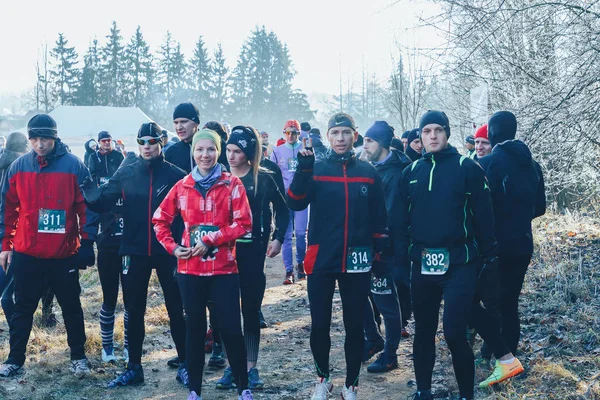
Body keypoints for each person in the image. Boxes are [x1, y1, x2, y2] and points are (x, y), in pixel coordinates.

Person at [287, 112, 390, 400]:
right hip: (321, 258)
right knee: (319, 324)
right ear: (329, 137)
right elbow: (294, 202)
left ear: (355, 136)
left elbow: (379, 219)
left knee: (354, 325)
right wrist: (303, 170)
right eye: (335, 133)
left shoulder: (368, 173)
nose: (341, 138)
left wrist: (380, 256)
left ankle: (351, 385)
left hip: (357, 260)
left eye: (346, 133)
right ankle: (323, 379)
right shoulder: (317, 169)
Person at [80, 122, 188, 388]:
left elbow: (189, 214)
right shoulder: (127, 173)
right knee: (134, 310)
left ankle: (186, 363)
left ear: (161, 142)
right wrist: (86, 189)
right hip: (134, 250)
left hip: (168, 250)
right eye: (142, 142)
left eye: (152, 141)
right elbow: (103, 202)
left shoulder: (177, 175)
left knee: (176, 308)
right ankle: (134, 368)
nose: (147, 146)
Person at [399, 110, 497, 400]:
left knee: (454, 332)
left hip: (460, 263)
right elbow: (400, 221)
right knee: (424, 332)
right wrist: (401, 260)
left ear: (447, 133)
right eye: (426, 131)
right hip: (423, 263)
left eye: (438, 130)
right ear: (420, 136)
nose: (432, 136)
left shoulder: (467, 167)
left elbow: (484, 216)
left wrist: (490, 258)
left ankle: (466, 394)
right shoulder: (411, 172)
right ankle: (423, 391)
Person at [153, 128, 254, 400]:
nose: (205, 155)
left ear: (218, 152)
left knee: (231, 328)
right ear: (193, 152)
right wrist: (173, 248)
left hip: (223, 270)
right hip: (190, 271)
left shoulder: (232, 184)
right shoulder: (182, 185)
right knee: (195, 329)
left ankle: (243, 387)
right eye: (200, 150)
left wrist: (213, 238)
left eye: (211, 149)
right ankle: (194, 391)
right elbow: (159, 220)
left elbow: (244, 223)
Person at [0, 114, 97, 378]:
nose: (39, 144)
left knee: (71, 307)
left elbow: (86, 207)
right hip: (27, 252)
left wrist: (88, 242)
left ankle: (78, 356)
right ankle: (15, 359)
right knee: (22, 308)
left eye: (44, 138)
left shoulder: (74, 166)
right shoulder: (19, 166)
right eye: (34, 138)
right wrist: (5, 245)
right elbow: (8, 208)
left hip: (63, 253)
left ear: (54, 137)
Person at [214, 125, 289, 391]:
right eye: (229, 150)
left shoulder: (265, 177)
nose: (231, 156)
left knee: (250, 311)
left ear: (249, 154)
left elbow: (283, 207)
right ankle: (231, 368)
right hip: (223, 254)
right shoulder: (218, 177)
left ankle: (250, 367)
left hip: (253, 254)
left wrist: (279, 237)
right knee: (226, 311)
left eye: (237, 151)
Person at [478, 111, 545, 381]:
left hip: (494, 245)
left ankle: (500, 355)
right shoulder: (533, 165)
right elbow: (540, 207)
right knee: (510, 302)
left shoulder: (488, 164)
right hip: (522, 243)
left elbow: (478, 209)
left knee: (486, 302)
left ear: (492, 133)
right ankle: (506, 355)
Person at [361, 121, 412, 373]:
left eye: (369, 141)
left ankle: (390, 355)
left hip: (390, 249)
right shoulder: (372, 169)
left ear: (380, 143)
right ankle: (372, 340)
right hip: (368, 246)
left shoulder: (397, 171)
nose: (364, 145)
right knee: (359, 295)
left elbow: (391, 215)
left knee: (387, 303)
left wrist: (383, 246)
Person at [270, 120, 308, 284]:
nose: (291, 135)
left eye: (294, 132)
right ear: (283, 133)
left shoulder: (304, 149)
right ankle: (288, 271)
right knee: (285, 236)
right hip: (284, 199)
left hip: (301, 198)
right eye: (288, 132)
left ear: (299, 134)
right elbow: (271, 172)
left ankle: (301, 263)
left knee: (300, 233)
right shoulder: (277, 151)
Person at [165, 102, 200, 173]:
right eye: (176, 123)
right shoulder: (172, 152)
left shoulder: (212, 146)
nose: (179, 127)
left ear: (196, 123)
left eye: (184, 122)